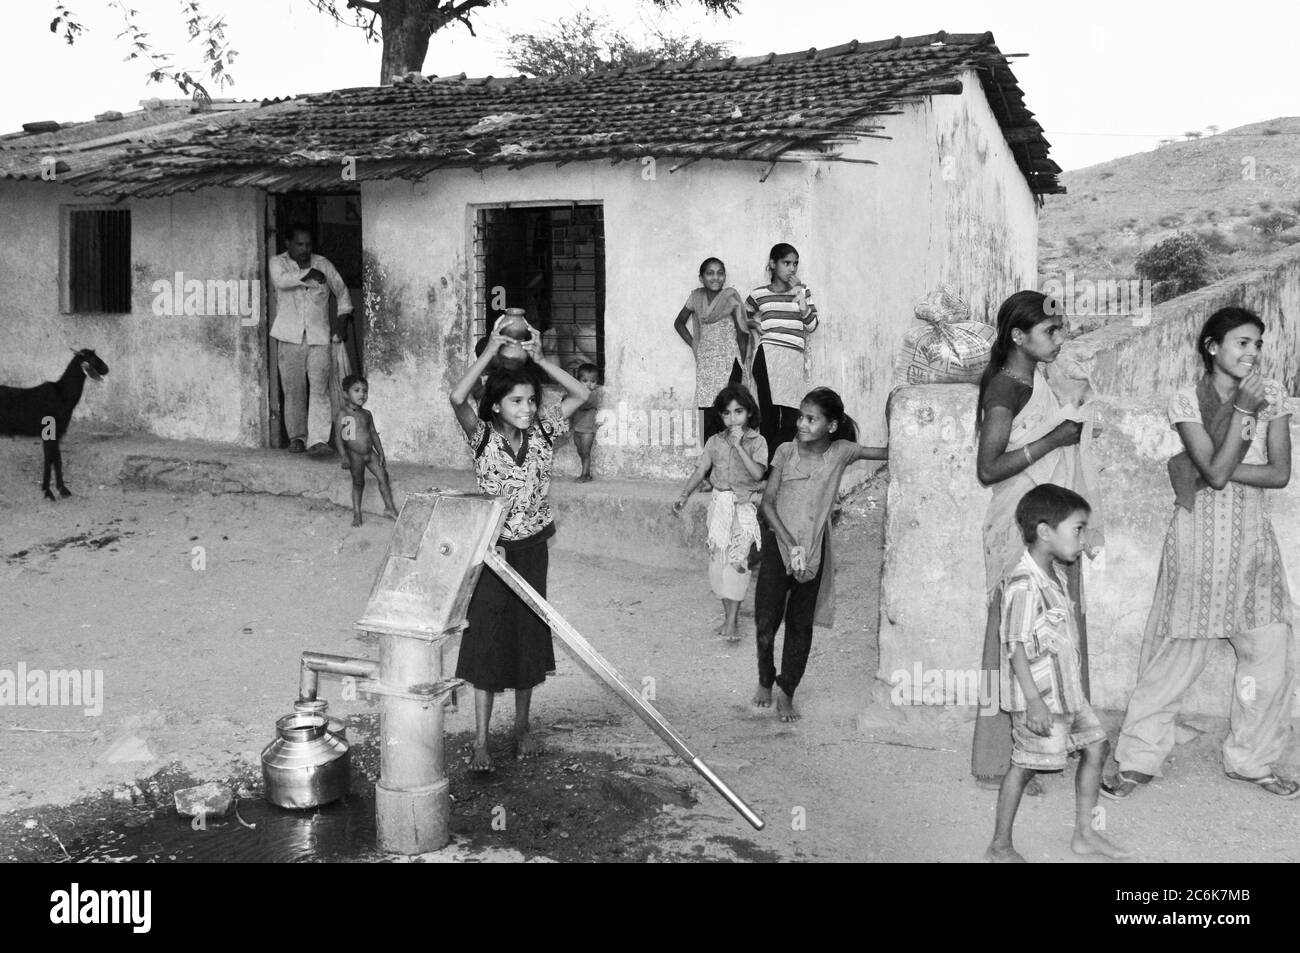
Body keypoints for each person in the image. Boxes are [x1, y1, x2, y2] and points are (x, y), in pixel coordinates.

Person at [1104, 308, 1298, 801]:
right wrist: (1238, 417)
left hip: (1254, 549)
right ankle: (1138, 758)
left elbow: (1277, 475)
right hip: (1197, 547)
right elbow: (1210, 476)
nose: (1252, 353)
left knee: (1268, 659)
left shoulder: (1272, 398)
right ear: (1213, 347)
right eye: (1241, 343)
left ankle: (1251, 760)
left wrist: (1219, 459)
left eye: (1257, 343)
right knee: (1174, 658)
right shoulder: (1186, 399)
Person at [971, 290, 1104, 797]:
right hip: (1019, 526)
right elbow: (988, 468)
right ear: (1017, 337)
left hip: (1048, 522)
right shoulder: (1005, 390)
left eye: (1061, 329)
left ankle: (1049, 746)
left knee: (1055, 634)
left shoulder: (1036, 379)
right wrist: (1053, 439)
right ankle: (1000, 761)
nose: (1059, 338)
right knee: (1016, 636)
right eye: (1051, 332)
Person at [448, 324, 590, 772]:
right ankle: (481, 741)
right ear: (495, 406)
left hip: (531, 549)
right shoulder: (482, 439)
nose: (527, 408)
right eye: (516, 401)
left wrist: (541, 359)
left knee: (528, 633)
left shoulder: (545, 433)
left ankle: (523, 728)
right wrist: (491, 349)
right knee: (487, 639)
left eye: (531, 400)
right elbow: (457, 398)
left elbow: (581, 394)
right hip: (491, 553)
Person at [985, 484, 1132, 863]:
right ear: (1046, 531)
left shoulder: (1056, 575)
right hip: (1040, 700)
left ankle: (1084, 835)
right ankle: (1000, 846)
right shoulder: (1023, 583)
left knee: (1097, 747)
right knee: (1025, 766)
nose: (1083, 540)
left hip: (1066, 694)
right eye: (1078, 529)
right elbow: (1015, 646)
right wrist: (1034, 703)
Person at [754, 387, 886, 721]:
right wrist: (789, 543)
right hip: (779, 544)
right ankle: (765, 678)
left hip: (814, 550)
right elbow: (768, 503)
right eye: (801, 416)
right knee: (766, 621)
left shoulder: (842, 452)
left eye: (811, 419)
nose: (801, 423)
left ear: (831, 425)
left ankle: (787, 691)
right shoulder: (785, 451)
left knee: (800, 625)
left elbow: (888, 452)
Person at [672, 385, 767, 642]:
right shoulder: (714, 442)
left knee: (737, 563)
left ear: (749, 412)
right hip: (719, 506)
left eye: (739, 412)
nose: (733, 418)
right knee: (718, 565)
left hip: (743, 507)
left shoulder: (758, 442)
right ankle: (729, 617)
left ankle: (733, 621)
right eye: (727, 413)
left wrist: (739, 447)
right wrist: (684, 495)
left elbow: (759, 474)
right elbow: (701, 469)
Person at [269, 226, 353, 456]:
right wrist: (308, 275)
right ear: (288, 243)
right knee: (293, 389)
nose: (305, 249)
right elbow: (281, 281)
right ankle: (297, 437)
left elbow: (343, 293)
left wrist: (342, 320)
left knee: (320, 390)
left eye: (308, 244)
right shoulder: (278, 263)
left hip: (319, 337)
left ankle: (317, 440)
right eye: (299, 244)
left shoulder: (323, 264)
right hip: (289, 337)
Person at [745, 244, 819, 452]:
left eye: (795, 264)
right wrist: (754, 325)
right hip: (767, 355)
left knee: (790, 420)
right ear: (772, 264)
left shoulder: (803, 291)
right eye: (786, 263)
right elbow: (743, 314)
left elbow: (811, 326)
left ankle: (770, 468)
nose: (792, 268)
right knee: (768, 419)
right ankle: (767, 474)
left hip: (792, 358)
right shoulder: (759, 294)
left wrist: (801, 299)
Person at [674, 258, 748, 444]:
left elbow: (742, 333)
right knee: (706, 412)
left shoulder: (731, 298)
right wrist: (694, 345)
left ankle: (730, 461)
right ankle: (710, 463)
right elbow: (679, 323)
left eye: (720, 273)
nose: (716, 277)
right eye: (710, 273)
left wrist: (745, 363)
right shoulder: (695, 297)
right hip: (706, 364)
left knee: (730, 411)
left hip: (730, 363)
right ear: (701, 278)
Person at [332, 374, 399, 527]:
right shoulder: (343, 414)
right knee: (358, 482)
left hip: (370, 454)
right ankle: (357, 513)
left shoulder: (367, 414)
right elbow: (338, 437)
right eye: (357, 390)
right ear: (345, 394)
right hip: (355, 455)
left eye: (365, 391)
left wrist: (380, 451)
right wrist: (344, 456)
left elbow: (373, 433)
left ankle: (389, 508)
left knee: (383, 476)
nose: (362, 394)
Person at [571, 363, 603, 482]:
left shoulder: (593, 395)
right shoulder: (577, 395)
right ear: (578, 381)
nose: (589, 384)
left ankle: (586, 474)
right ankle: (585, 471)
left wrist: (571, 400)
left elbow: (583, 405)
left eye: (593, 381)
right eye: (585, 380)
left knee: (585, 452)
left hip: (588, 431)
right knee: (580, 450)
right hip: (577, 428)